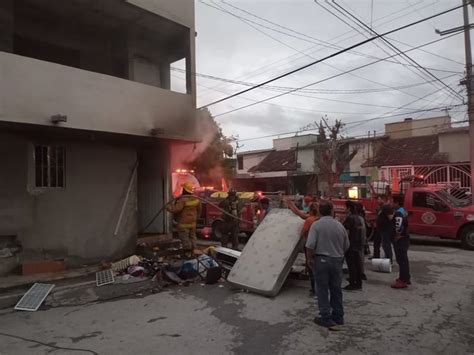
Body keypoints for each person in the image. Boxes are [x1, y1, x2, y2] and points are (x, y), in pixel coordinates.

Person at [306, 202, 350, 330]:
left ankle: (325, 317)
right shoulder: (339, 226)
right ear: (332, 211)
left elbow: (310, 245)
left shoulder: (316, 225)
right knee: (336, 289)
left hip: (321, 260)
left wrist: (309, 259)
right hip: (337, 260)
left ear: (320, 211)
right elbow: (346, 245)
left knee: (322, 289)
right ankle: (338, 316)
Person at [288, 199, 319, 295]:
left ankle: (314, 289)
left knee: (311, 266)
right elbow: (301, 215)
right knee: (318, 267)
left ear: (310, 209)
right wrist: (292, 206)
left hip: (310, 246)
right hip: (319, 246)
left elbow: (302, 232)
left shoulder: (309, 220)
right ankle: (319, 288)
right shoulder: (318, 218)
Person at [166, 182, 201, 258]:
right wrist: (196, 218)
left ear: (184, 190)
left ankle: (187, 253)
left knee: (185, 238)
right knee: (193, 237)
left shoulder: (182, 200)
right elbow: (199, 210)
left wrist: (167, 207)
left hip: (183, 223)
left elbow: (176, 209)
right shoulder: (196, 199)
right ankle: (194, 252)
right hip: (193, 223)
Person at [391, 195, 411, 289]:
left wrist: (397, 235)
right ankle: (405, 277)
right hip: (405, 237)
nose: (391, 204)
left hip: (401, 239)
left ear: (397, 203)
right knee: (404, 260)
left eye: (393, 202)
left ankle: (403, 280)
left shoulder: (398, 213)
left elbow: (398, 225)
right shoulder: (404, 211)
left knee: (401, 260)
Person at [343, 201, 363, 291]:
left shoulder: (350, 218)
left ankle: (352, 283)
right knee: (357, 264)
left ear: (349, 208)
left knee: (351, 265)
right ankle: (358, 283)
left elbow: (345, 231)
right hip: (357, 243)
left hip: (350, 244)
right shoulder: (358, 218)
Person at [370, 195, 387, 259]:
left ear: (383, 200)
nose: (378, 201)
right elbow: (378, 217)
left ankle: (387, 257)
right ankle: (376, 255)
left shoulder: (385, 208)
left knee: (385, 244)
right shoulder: (378, 208)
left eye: (379, 199)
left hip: (383, 228)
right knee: (376, 242)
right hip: (378, 228)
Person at [355, 203, 368, 281]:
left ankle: (359, 274)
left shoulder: (359, 219)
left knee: (358, 258)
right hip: (361, 241)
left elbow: (361, 231)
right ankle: (360, 273)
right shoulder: (361, 218)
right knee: (360, 258)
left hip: (358, 242)